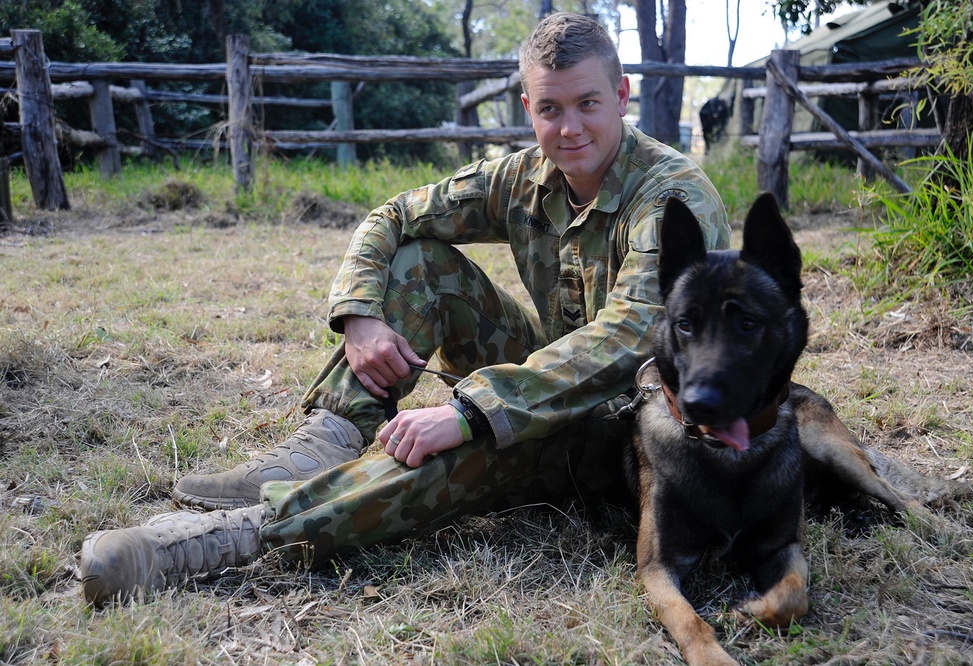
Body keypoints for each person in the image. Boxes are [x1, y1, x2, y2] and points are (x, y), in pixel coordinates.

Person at [79, 12, 731, 606]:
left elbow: (631, 338)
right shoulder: (525, 175)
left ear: (621, 97)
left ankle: (231, 537)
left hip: (637, 425)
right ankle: (327, 442)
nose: (569, 128)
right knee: (422, 261)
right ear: (528, 108)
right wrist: (360, 315)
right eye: (550, 109)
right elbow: (392, 215)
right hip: (550, 377)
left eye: (588, 104)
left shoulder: (672, 196)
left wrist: (473, 410)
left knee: (476, 439)